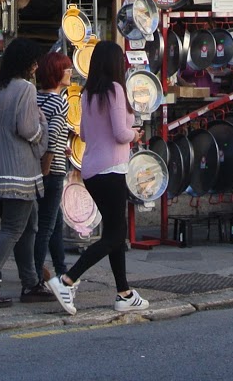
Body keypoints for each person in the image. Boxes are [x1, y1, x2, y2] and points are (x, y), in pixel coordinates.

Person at [47, 40, 149, 315]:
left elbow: (84, 133)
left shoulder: (88, 94)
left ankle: (124, 293)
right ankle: (67, 280)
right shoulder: (115, 90)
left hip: (92, 168)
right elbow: (120, 133)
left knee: (115, 231)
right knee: (115, 234)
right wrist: (135, 134)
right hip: (111, 168)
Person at [0, 39, 48, 307]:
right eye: (34, 62)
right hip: (19, 170)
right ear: (26, 64)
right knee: (13, 228)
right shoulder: (25, 88)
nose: (36, 67)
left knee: (28, 225)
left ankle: (31, 282)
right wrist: (42, 129)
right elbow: (27, 128)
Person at [30, 50, 72, 283]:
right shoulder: (59, 102)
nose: (70, 72)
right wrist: (46, 168)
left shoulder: (35, 98)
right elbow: (52, 136)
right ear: (57, 73)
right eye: (66, 69)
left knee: (55, 221)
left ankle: (61, 269)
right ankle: (35, 276)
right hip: (52, 171)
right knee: (46, 225)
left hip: (33, 166)